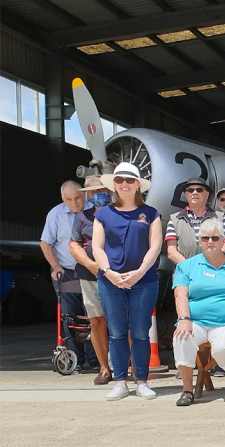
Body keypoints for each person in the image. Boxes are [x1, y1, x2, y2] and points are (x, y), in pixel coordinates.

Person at [92, 162, 163, 401]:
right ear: (114, 184)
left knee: (141, 331)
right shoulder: (102, 214)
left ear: (138, 185)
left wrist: (140, 272)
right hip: (110, 281)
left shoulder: (152, 214)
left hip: (144, 281)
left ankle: (141, 381)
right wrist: (109, 272)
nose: (124, 184)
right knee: (117, 332)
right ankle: (121, 382)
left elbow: (155, 246)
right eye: (120, 180)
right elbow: (97, 247)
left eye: (130, 180)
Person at [171, 218, 225, 406]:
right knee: (181, 337)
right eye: (205, 238)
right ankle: (186, 390)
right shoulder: (187, 266)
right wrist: (184, 319)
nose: (210, 242)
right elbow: (180, 295)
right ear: (200, 241)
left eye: (215, 238)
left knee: (223, 348)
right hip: (196, 321)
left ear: (223, 240)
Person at [42, 180, 96, 373]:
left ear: (84, 195)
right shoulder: (55, 214)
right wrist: (55, 266)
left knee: (93, 315)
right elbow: (45, 244)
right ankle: (77, 359)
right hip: (66, 270)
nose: (74, 203)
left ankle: (95, 357)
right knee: (70, 316)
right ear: (63, 199)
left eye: (78, 198)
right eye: (69, 199)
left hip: (90, 269)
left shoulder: (95, 210)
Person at [68, 175, 113, 384]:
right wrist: (91, 265)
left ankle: (130, 366)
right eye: (92, 192)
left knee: (125, 323)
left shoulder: (120, 213)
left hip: (118, 275)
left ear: (110, 191)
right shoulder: (82, 217)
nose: (96, 195)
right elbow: (74, 245)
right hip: (90, 276)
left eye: (100, 190)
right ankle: (104, 368)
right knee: (97, 321)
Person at [166, 177, 225, 266]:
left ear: (207, 194)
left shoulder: (221, 217)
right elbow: (171, 251)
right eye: (190, 190)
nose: (194, 193)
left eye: (199, 190)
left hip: (214, 273)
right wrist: (190, 268)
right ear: (186, 194)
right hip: (185, 275)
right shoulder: (174, 219)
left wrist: (208, 268)